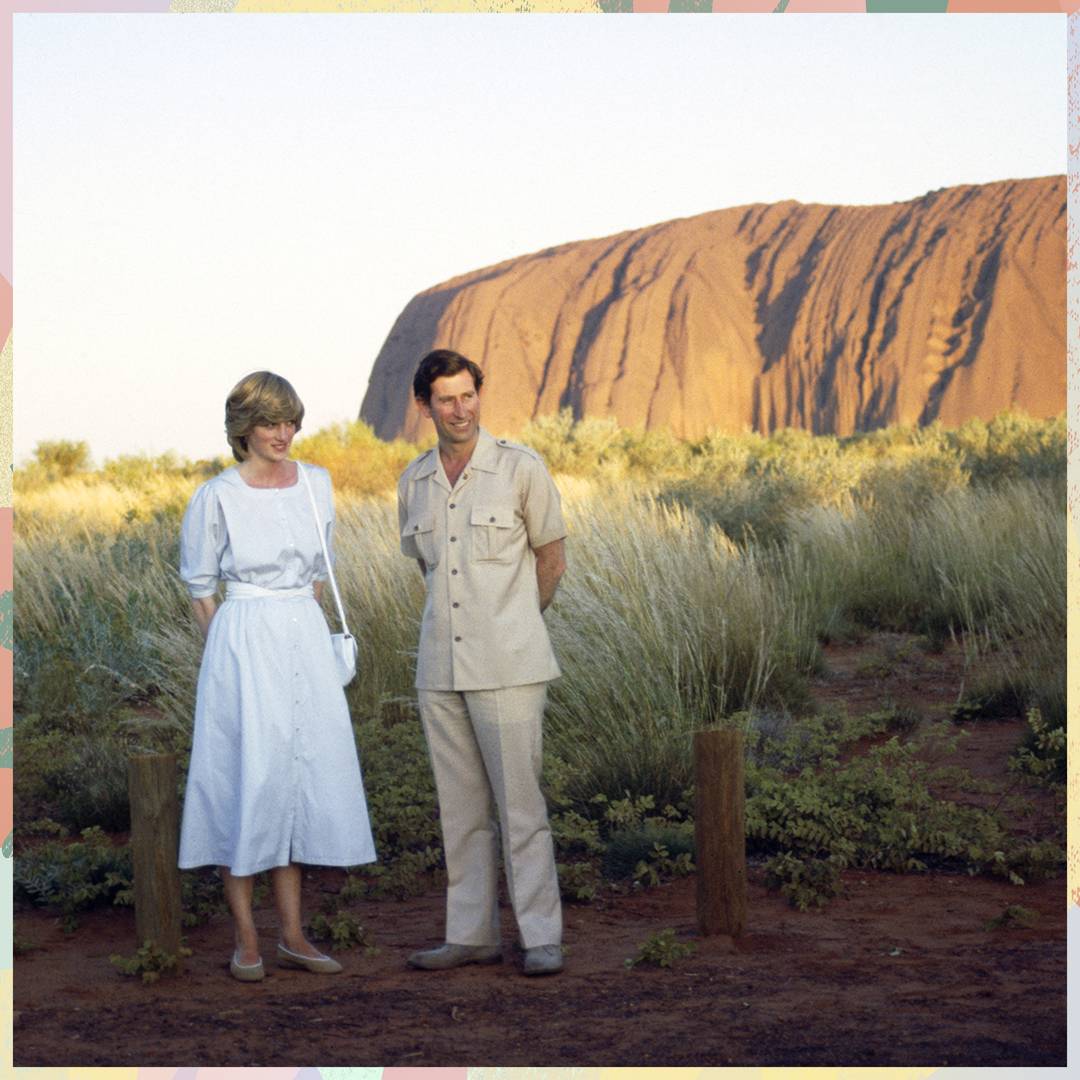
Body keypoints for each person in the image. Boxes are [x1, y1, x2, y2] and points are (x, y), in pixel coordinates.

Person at [178, 370, 376, 982]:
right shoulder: (217, 495)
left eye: (290, 421)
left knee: (296, 779)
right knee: (246, 778)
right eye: (270, 422)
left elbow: (320, 570)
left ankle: (293, 935)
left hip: (303, 635)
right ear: (244, 428)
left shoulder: (317, 484)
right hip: (242, 644)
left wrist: (297, 621)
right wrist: (230, 655)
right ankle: (247, 940)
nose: (283, 433)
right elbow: (199, 586)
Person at [397, 348, 567, 977]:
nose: (460, 409)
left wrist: (516, 624)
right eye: (446, 398)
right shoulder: (414, 482)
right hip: (440, 669)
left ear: (479, 396)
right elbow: (430, 568)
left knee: (522, 808)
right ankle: (470, 935)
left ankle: (541, 936)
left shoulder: (520, 469)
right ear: (425, 406)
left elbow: (552, 559)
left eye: (468, 395)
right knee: (459, 810)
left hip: (510, 666)